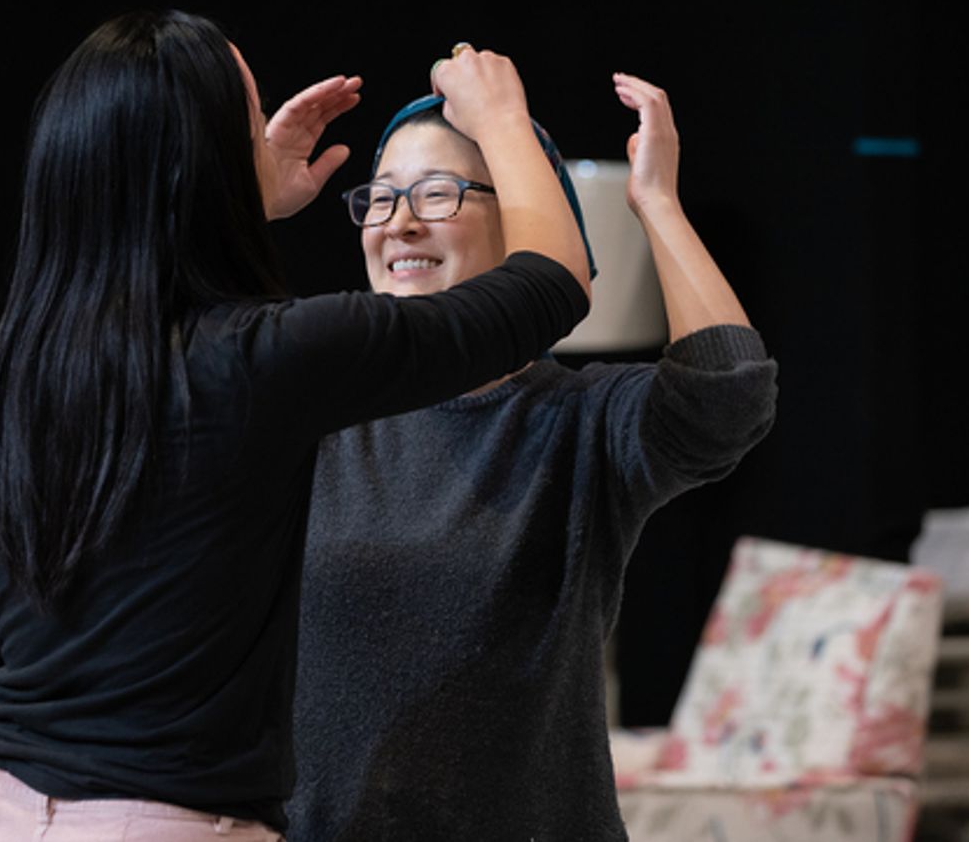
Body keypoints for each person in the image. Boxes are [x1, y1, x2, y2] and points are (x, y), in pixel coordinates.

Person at [0, 11, 594, 842]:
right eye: (251, 120)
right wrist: (501, 119)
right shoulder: (266, 358)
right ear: (207, 166)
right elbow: (553, 284)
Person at [288, 73, 779, 840]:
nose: (401, 223)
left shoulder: (577, 419)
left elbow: (727, 395)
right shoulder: (314, 406)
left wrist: (656, 203)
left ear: (523, 219)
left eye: (438, 193)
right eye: (381, 198)